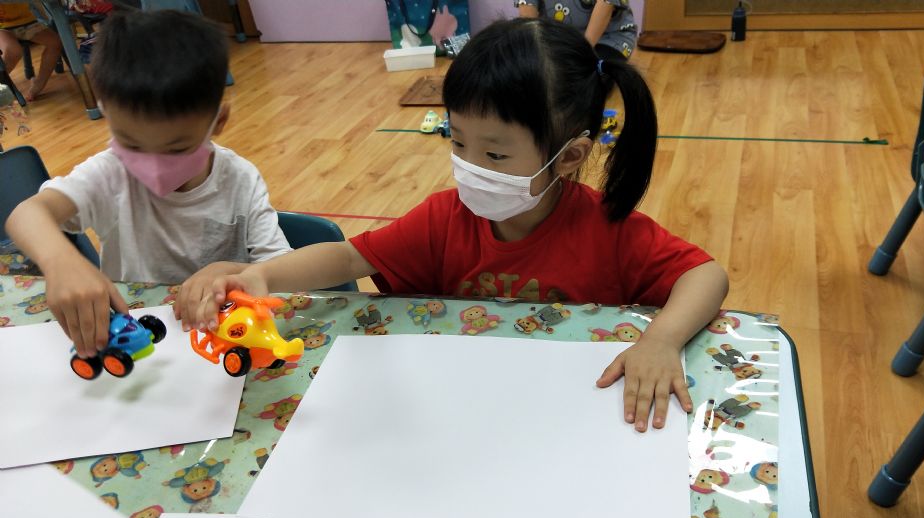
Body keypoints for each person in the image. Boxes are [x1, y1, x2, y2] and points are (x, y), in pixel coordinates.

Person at [182, 18, 728, 433]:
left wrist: (661, 341)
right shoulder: (446, 217)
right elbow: (349, 257)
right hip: (459, 415)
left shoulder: (606, 228)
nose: (469, 166)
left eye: (495, 154)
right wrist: (263, 276)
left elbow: (706, 275)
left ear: (567, 157)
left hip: (564, 417)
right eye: (458, 141)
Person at [4, 9, 290, 358]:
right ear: (106, 114)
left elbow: (286, 270)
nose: (153, 166)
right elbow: (27, 214)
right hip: (142, 345)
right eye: (132, 145)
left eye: (177, 148)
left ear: (219, 121)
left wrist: (233, 271)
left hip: (220, 343)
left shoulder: (240, 179)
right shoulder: (110, 174)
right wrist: (60, 261)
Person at [517, 0, 639, 61]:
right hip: (554, 37)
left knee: (587, 80)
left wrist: (579, 53)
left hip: (608, 37)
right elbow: (527, 11)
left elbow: (606, 3)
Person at [0, 3, 63, 100]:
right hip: (2, 27)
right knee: (13, 51)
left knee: (55, 42)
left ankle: (39, 84)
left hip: (28, 23)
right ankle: (1, 82)